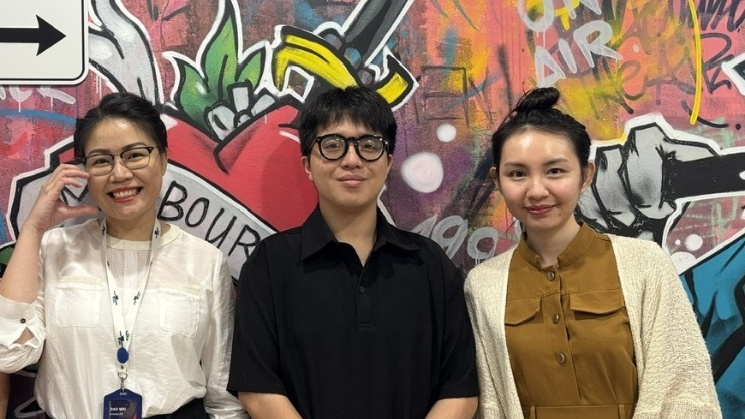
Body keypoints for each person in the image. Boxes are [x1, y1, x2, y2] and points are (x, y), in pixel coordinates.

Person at [464, 87, 722, 418]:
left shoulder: (644, 264)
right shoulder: (483, 285)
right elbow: (492, 405)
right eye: (517, 174)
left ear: (586, 175)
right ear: (497, 180)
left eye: (555, 170)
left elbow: (684, 387)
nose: (537, 191)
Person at [228, 86, 479, 418]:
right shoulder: (270, 265)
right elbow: (258, 389)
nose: (351, 160)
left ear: (388, 162)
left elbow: (460, 390)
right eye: (332, 146)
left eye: (369, 146)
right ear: (307, 164)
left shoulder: (429, 263)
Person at [0, 92, 247, 419]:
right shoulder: (55, 249)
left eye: (134, 155)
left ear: (163, 159)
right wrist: (32, 230)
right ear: (85, 170)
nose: (119, 174)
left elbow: (223, 393)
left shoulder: (203, 260)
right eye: (102, 160)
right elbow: (8, 354)